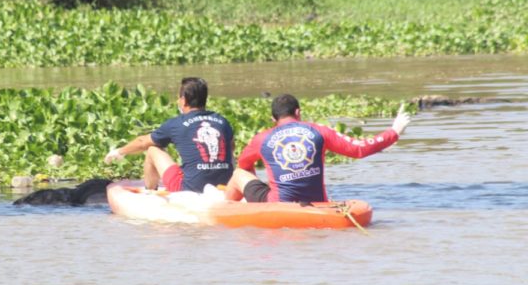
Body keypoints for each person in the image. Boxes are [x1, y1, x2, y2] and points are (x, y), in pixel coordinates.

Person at [224, 93, 411, 203]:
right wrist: (394, 131)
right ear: (298, 112)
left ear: (273, 119)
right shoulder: (319, 131)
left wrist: (259, 188)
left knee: (238, 174)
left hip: (279, 203)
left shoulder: (262, 138)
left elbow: (243, 164)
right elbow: (359, 149)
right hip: (317, 201)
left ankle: (227, 207)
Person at [104, 77, 234, 192]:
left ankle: (150, 192)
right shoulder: (222, 121)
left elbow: (142, 142)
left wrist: (120, 151)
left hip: (190, 189)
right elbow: (231, 148)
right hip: (224, 186)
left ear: (183, 101)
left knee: (152, 149)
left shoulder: (176, 123)